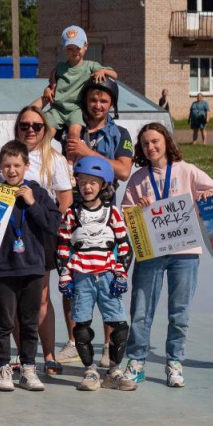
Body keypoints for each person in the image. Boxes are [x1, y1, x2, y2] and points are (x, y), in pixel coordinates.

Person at [121, 124, 213, 388]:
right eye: (145, 144)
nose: (150, 147)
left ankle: (175, 362)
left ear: (166, 141)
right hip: (151, 252)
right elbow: (126, 212)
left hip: (184, 252)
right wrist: (137, 208)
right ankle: (137, 361)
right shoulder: (139, 178)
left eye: (155, 141)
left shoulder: (187, 170)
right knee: (141, 310)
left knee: (180, 311)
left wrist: (208, 195)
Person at [0, 141, 58, 392]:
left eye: (17, 165)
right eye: (7, 166)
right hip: (4, 267)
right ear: (0, 168)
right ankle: (3, 367)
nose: (12, 170)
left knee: (29, 322)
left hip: (33, 267)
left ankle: (28, 367)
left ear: (26, 166)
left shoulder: (37, 193)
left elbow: (52, 225)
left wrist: (32, 204)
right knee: (3, 321)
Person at [0, 106, 73, 375]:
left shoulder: (54, 158)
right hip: (8, 235)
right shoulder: (1, 154)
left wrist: (48, 225)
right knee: (12, 297)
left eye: (37, 126)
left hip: (39, 235)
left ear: (45, 129)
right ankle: (23, 357)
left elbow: (65, 199)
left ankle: (47, 355)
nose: (31, 130)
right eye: (25, 125)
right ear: (17, 127)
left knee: (41, 298)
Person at [62, 77, 134, 368]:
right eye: (93, 99)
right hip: (73, 213)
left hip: (104, 217)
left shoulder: (121, 133)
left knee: (105, 282)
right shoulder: (71, 129)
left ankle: (107, 346)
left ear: (112, 104)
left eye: (104, 101)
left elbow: (123, 170)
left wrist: (86, 153)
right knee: (74, 275)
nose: (98, 105)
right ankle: (72, 339)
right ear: (86, 101)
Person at [56, 155, 134, 392]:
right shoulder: (71, 215)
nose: (87, 187)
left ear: (103, 185)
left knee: (119, 326)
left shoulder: (114, 213)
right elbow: (62, 248)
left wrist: (121, 275)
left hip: (108, 276)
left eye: (93, 182)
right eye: (82, 182)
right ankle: (89, 370)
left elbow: (124, 247)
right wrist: (65, 276)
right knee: (82, 327)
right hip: (82, 278)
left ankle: (112, 371)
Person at [40, 25, 117, 151]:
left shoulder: (91, 66)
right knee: (47, 134)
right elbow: (51, 84)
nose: (75, 51)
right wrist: (47, 90)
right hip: (58, 108)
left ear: (86, 46)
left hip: (76, 109)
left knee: (74, 133)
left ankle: (70, 163)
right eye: (70, 48)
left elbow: (115, 74)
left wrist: (102, 71)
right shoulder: (60, 67)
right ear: (65, 49)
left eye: (78, 48)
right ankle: (40, 159)